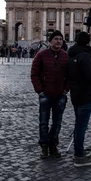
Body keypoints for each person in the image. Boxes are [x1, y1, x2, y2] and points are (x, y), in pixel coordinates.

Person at [68, 32, 91, 167]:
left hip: (76, 94)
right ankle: (79, 156)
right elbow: (90, 76)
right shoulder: (84, 56)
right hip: (85, 94)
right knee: (81, 126)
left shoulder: (71, 54)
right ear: (88, 42)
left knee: (79, 124)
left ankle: (79, 150)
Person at [31, 30, 69, 158]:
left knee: (57, 122)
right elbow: (34, 74)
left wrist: (66, 90)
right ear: (50, 41)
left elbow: (70, 75)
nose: (59, 41)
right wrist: (40, 91)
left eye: (60, 39)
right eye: (56, 39)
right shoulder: (41, 55)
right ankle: (44, 146)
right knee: (43, 122)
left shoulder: (66, 56)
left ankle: (53, 144)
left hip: (60, 94)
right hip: (45, 94)